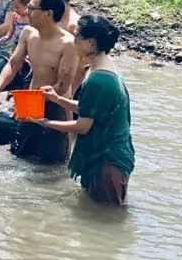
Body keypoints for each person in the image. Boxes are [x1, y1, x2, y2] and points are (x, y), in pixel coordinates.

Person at [29, 15, 135, 207]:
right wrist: (58, 99)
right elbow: (90, 108)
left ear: (91, 43)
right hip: (107, 155)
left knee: (106, 219)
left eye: (77, 36)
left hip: (107, 161)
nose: (73, 40)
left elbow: (83, 126)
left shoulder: (98, 80)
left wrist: (43, 122)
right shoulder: (100, 68)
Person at [0, 0, 78, 163]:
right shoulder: (28, 33)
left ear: (48, 14)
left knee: (50, 168)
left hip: (55, 109)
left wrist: (26, 102)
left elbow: (62, 86)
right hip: (30, 106)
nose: (27, 12)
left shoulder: (68, 43)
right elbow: (13, 63)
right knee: (19, 158)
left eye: (32, 9)